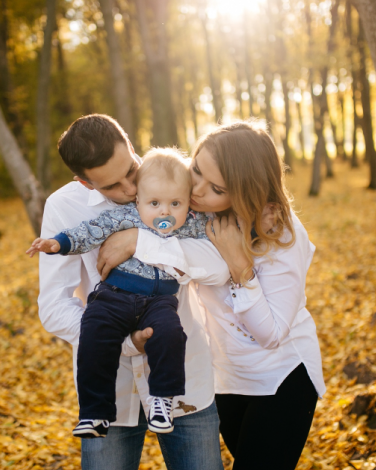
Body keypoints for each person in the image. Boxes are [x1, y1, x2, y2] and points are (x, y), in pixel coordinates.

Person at [100, 121, 326, 470]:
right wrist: (92, 177)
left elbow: (271, 334)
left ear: (243, 190)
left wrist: (240, 265)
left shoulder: (282, 232)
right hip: (226, 378)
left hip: (282, 378)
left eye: (216, 187)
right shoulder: (195, 214)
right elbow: (154, 175)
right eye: (196, 171)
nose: (198, 190)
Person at [36, 114, 226, 470]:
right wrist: (126, 343)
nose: (128, 188)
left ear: (133, 148)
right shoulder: (63, 207)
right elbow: (53, 307)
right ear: (85, 182)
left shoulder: (176, 179)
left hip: (185, 379)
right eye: (112, 185)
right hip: (113, 388)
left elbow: (218, 267)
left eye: (132, 170)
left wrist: (141, 241)